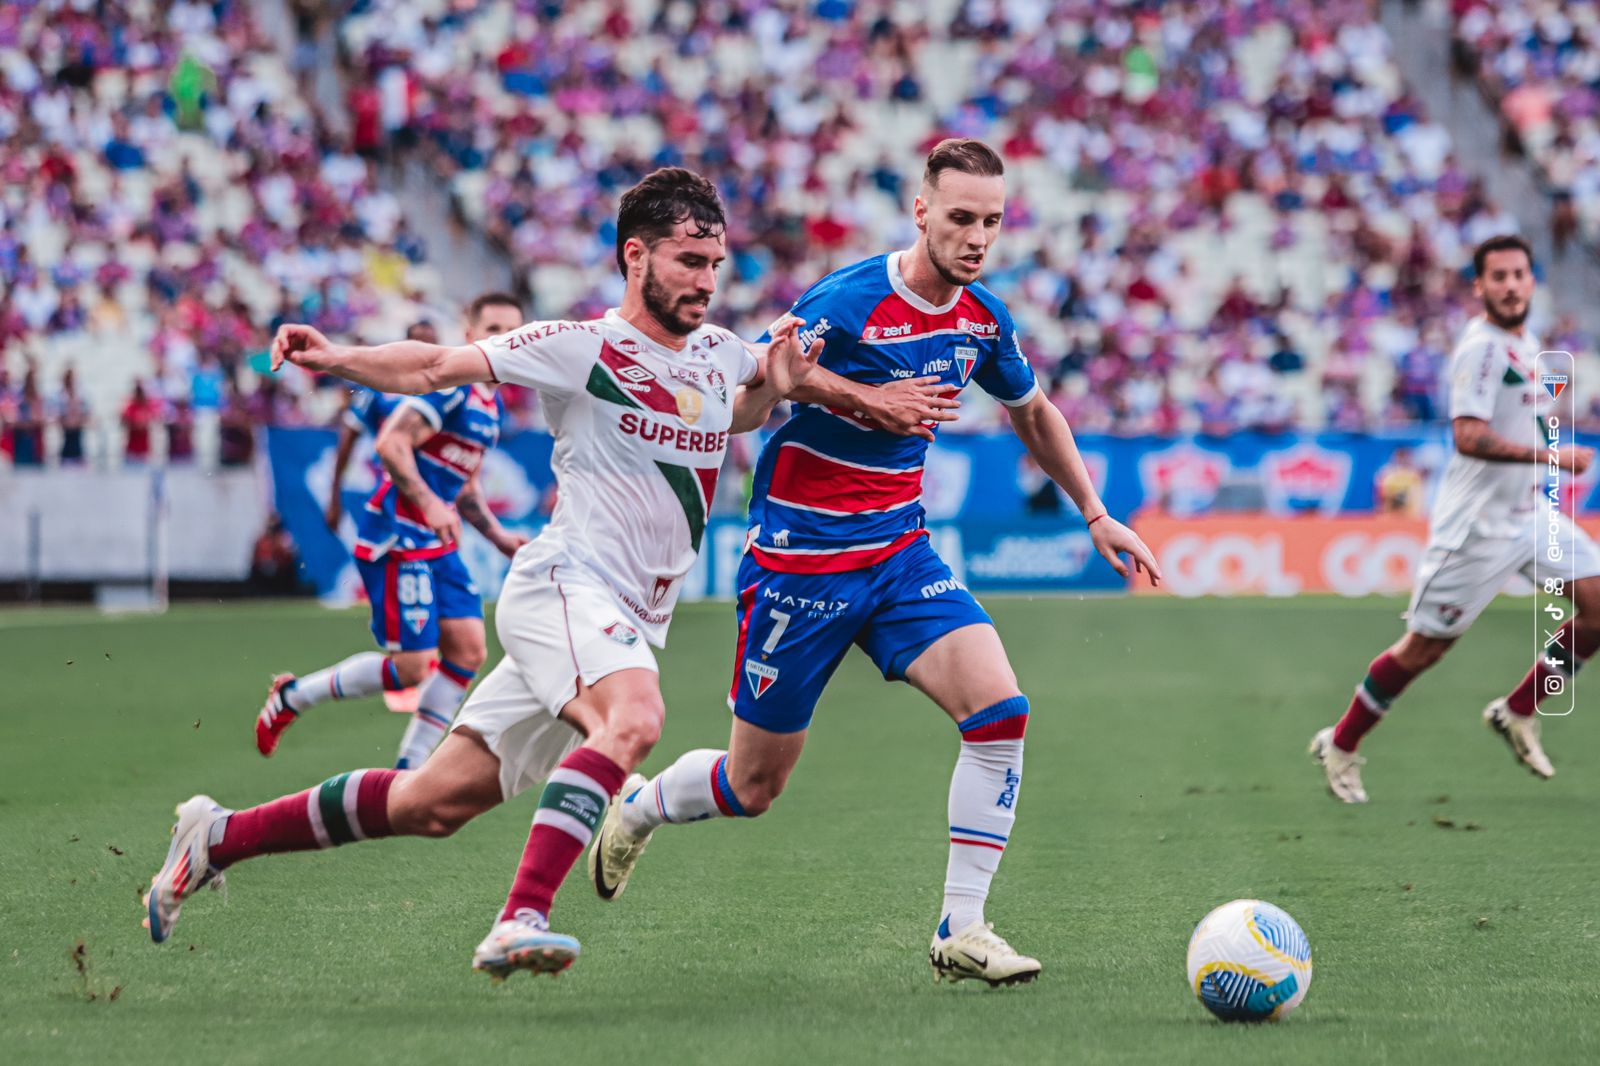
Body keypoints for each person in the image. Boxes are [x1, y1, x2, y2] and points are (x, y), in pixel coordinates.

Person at [140, 168, 836, 983]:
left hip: (622, 617)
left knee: (430, 803)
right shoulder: (586, 348)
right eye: (688, 260)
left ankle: (215, 836)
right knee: (636, 715)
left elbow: (738, 405)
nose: (706, 280)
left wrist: (780, 383)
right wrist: (337, 359)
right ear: (635, 256)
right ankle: (520, 918)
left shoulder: (722, 355)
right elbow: (435, 365)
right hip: (566, 588)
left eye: (716, 262)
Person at [586, 140, 1161, 988]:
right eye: (960, 217)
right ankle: (642, 806)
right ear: (921, 211)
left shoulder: (981, 319)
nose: (976, 237)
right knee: (752, 786)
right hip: (800, 567)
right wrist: (835, 391)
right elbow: (748, 406)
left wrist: (1097, 512)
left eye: (992, 222)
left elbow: (1033, 411)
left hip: (898, 554)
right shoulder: (847, 301)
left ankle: (961, 928)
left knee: (1000, 714)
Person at [1310, 234, 1600, 803]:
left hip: (1528, 518)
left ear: (1531, 280)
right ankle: (1341, 743)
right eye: (1499, 276)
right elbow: (1468, 437)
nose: (1511, 285)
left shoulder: (1528, 342)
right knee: (1423, 650)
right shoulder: (1483, 349)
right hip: (1476, 531)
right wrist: (1551, 457)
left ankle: (1518, 711)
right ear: (1480, 286)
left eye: (1519, 274)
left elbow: (1524, 421)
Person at [253, 297, 527, 771]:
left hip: (434, 539)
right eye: (493, 328)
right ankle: (293, 696)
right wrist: (426, 503)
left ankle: (410, 768)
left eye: (511, 331)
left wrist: (501, 538)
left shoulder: (491, 402)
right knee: (412, 667)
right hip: (399, 531)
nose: (502, 340)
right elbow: (390, 443)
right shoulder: (452, 389)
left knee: (468, 650)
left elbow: (465, 485)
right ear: (468, 333)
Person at [323, 319, 438, 532]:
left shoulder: (451, 391)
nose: (426, 350)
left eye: (431, 344)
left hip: (437, 492)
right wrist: (334, 498)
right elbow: (348, 438)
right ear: (406, 345)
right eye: (419, 343)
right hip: (391, 490)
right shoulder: (381, 385)